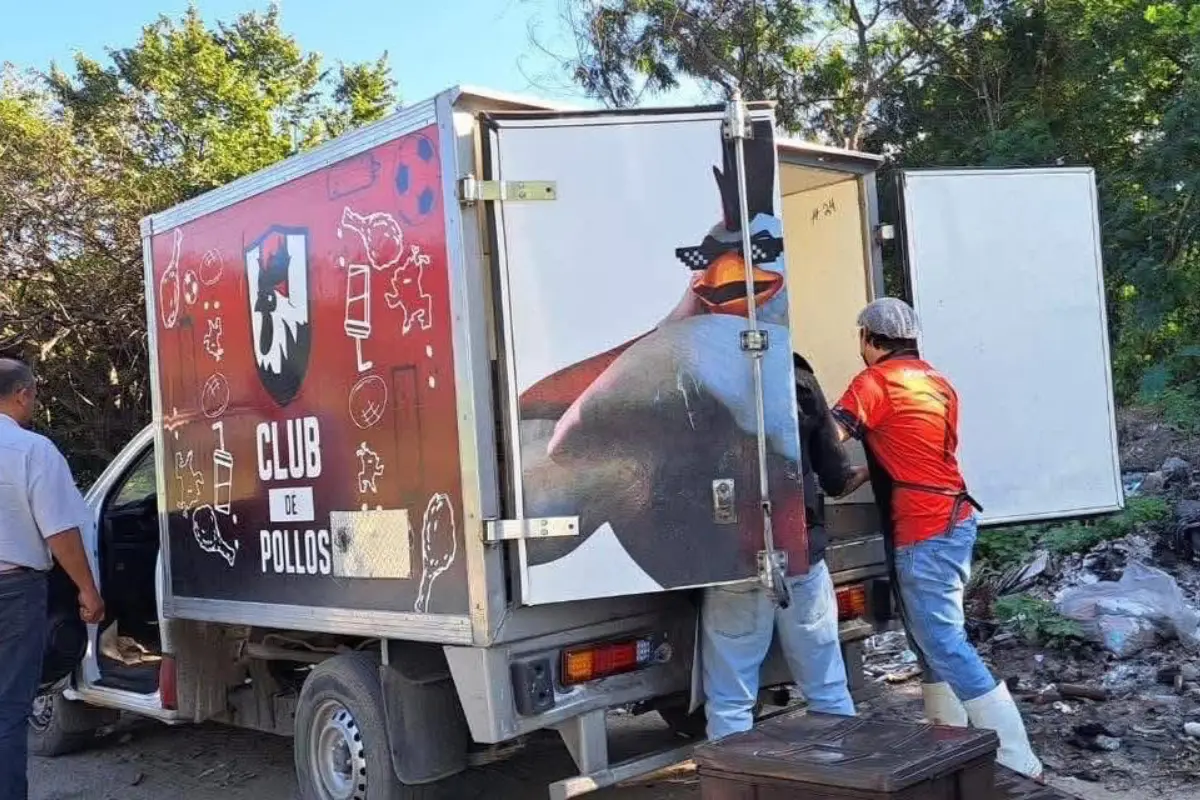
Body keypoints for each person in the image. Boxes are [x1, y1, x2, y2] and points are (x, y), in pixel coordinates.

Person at [829, 298, 1042, 779]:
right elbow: (920, 451)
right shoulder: (936, 383)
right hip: (953, 516)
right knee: (928, 640)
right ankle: (947, 738)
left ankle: (1014, 753)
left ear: (868, 339)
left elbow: (828, 435)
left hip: (924, 526)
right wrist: (870, 473)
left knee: (942, 641)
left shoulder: (875, 382)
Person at [700, 351, 859, 740]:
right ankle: (846, 782)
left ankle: (734, 787)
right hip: (799, 553)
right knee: (827, 688)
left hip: (730, 560)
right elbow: (836, 475)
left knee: (731, 699)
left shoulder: (700, 375)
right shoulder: (798, 376)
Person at [0, 358, 104, 800]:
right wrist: (87, 590)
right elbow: (59, 529)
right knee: (7, 709)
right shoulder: (32, 450)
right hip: (13, 593)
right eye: (35, 394)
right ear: (22, 393)